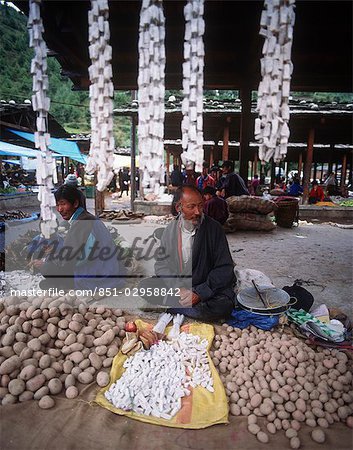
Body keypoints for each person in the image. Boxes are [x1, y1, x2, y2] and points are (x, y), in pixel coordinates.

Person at [140, 185, 236, 322]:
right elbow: (161, 264)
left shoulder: (214, 228)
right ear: (179, 207)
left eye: (201, 206)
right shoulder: (170, 230)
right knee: (145, 287)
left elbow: (225, 268)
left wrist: (199, 293)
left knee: (223, 305)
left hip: (205, 287)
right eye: (191, 207)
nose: (198, 212)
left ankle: (174, 307)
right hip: (181, 287)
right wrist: (178, 287)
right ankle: (190, 308)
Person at [34, 185, 125, 291]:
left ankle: (67, 284)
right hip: (109, 269)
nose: (59, 209)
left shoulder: (80, 223)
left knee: (47, 269)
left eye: (63, 204)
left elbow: (69, 261)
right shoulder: (86, 217)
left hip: (97, 276)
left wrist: (46, 263)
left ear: (75, 203)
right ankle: (61, 283)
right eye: (57, 205)